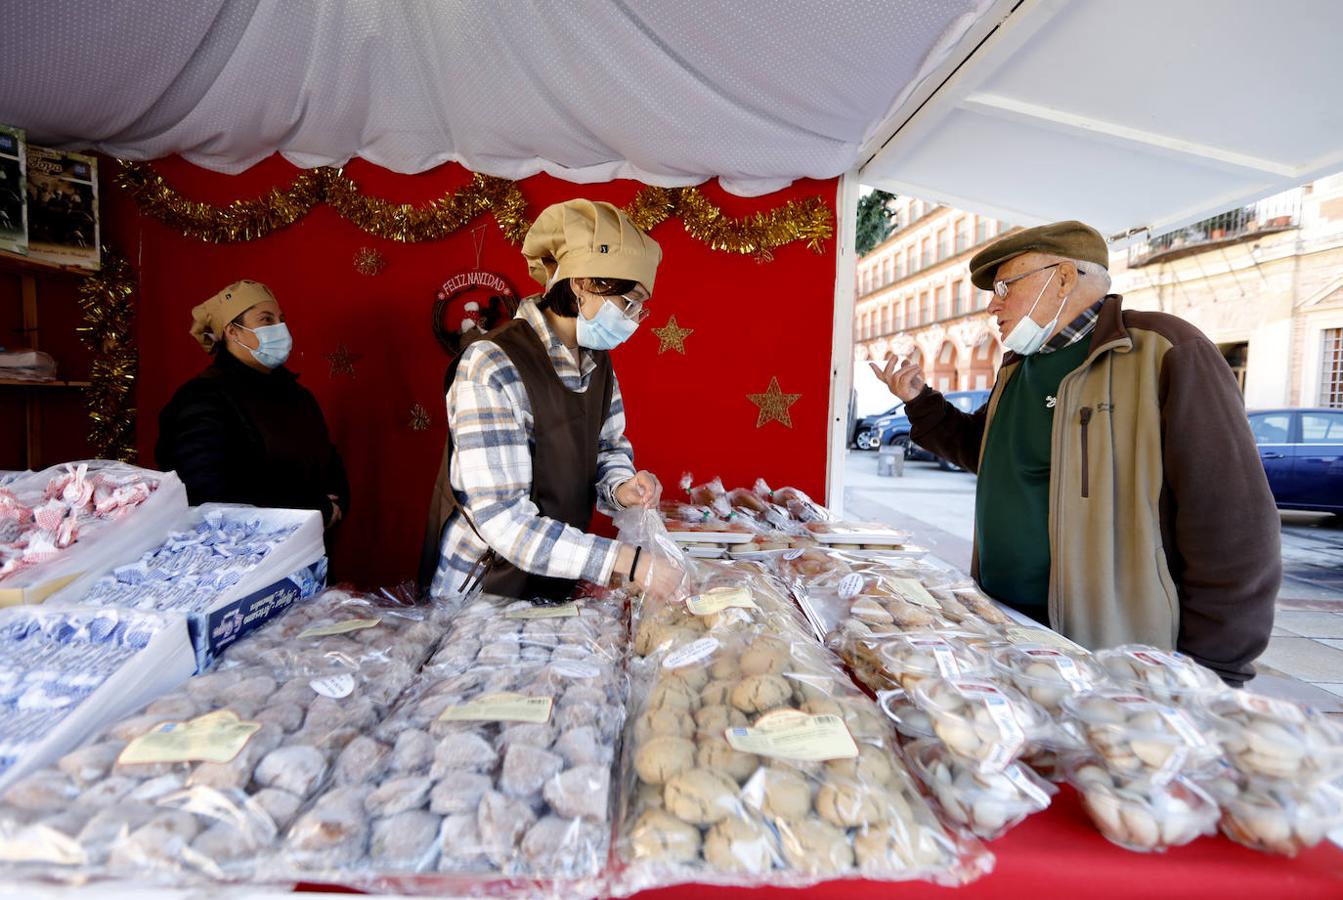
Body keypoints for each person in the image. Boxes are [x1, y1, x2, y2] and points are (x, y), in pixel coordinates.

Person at [870, 220, 1279, 685]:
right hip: (1006, 626)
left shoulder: (1163, 351)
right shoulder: (1019, 367)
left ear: (1064, 277)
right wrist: (920, 401)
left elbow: (1233, 520)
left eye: (1006, 286)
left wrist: (1213, 669)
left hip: (1111, 651)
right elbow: (983, 451)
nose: (993, 304)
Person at [422, 199, 683, 603]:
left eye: (641, 308)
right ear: (581, 283)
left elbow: (607, 447)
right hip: (485, 588)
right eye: (628, 303)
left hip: (554, 576)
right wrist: (629, 563)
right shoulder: (491, 365)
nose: (634, 319)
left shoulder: (597, 361)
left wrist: (621, 486)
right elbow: (503, 519)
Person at [157, 279, 350, 534]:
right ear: (232, 331)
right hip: (245, 560)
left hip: (309, 551)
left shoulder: (298, 395)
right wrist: (311, 509)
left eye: (281, 319)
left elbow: (328, 460)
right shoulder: (202, 397)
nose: (280, 328)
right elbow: (207, 491)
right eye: (266, 320)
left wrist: (334, 508)